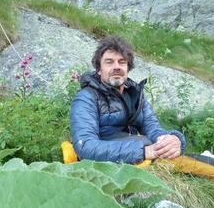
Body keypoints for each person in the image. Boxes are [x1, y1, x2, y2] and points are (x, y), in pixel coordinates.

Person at [70, 35, 186, 164]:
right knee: (144, 142)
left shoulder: (135, 94)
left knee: (204, 163)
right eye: (109, 62)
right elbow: (85, 147)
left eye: (122, 62)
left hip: (137, 152)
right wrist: (143, 151)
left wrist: (172, 140)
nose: (117, 67)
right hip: (104, 165)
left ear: (127, 68)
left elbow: (153, 129)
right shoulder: (86, 98)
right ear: (99, 70)